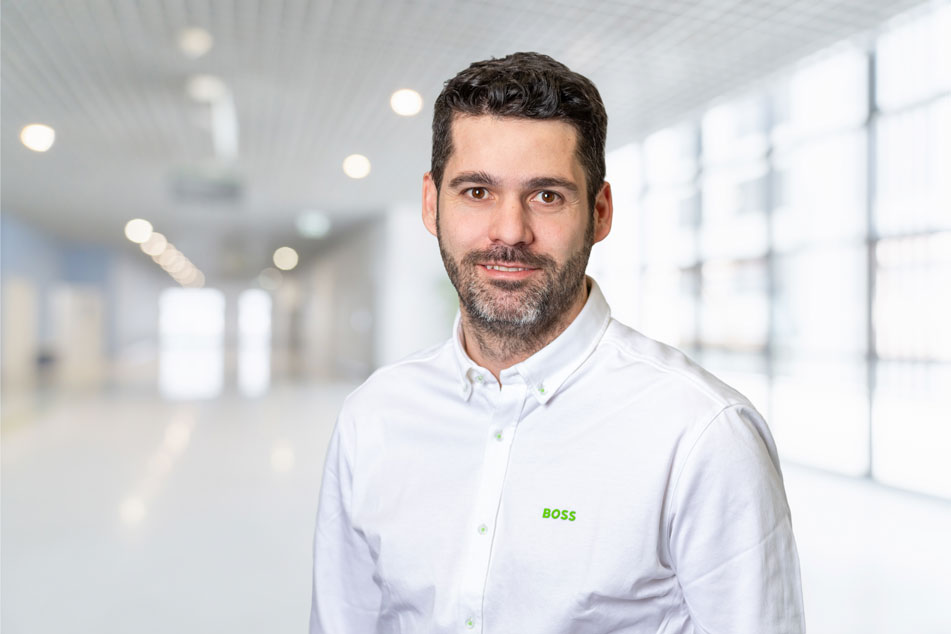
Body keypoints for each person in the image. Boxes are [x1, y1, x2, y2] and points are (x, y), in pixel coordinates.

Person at [310, 52, 804, 634]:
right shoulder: (374, 416)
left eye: (546, 196)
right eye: (476, 191)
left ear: (599, 212)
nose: (510, 232)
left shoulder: (701, 434)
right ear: (431, 203)